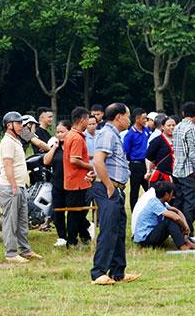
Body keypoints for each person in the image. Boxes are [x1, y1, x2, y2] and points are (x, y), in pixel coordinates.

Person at [90, 103, 138, 285]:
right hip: (108, 189)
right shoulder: (108, 134)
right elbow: (99, 161)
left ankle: (118, 272)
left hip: (116, 188)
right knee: (109, 230)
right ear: (119, 117)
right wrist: (109, 186)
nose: (130, 119)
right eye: (128, 115)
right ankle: (98, 272)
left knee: (118, 231)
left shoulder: (113, 134)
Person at [0, 111, 42, 263]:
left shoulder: (16, 140)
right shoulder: (7, 142)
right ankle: (10, 253)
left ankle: (25, 250)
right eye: (18, 124)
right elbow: (7, 164)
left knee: (22, 220)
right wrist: (13, 184)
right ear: (9, 125)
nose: (21, 126)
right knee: (10, 220)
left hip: (20, 186)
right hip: (10, 186)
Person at [171, 101, 195, 244]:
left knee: (179, 202)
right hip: (189, 173)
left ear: (182, 113)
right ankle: (189, 233)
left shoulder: (177, 127)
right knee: (190, 205)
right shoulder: (191, 128)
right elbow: (193, 153)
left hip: (177, 171)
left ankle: (178, 232)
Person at [132, 181, 195, 250]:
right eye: (171, 194)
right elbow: (176, 218)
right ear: (166, 194)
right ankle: (182, 246)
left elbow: (177, 211)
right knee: (170, 220)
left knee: (173, 218)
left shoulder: (162, 203)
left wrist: (186, 227)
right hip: (145, 240)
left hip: (151, 235)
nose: (173, 197)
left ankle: (187, 243)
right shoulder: (154, 203)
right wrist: (185, 227)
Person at [62, 108, 94, 247]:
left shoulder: (71, 135)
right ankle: (72, 241)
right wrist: (90, 166)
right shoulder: (76, 138)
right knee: (75, 213)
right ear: (82, 120)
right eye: (87, 120)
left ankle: (85, 237)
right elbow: (74, 160)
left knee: (79, 212)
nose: (88, 123)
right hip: (77, 181)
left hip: (75, 180)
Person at [43, 120, 71, 247]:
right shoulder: (56, 147)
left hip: (72, 184)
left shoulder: (73, 145)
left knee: (73, 211)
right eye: (58, 132)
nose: (60, 135)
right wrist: (54, 147)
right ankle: (61, 237)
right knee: (58, 211)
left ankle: (75, 234)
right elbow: (46, 161)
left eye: (62, 132)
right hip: (58, 183)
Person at [122, 108, 150, 211]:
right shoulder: (130, 134)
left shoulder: (146, 131)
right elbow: (126, 151)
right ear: (137, 119)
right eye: (144, 118)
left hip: (146, 164)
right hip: (135, 165)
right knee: (135, 189)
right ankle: (134, 211)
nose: (145, 120)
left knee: (149, 188)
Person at [145, 115, 176, 184]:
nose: (172, 127)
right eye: (169, 125)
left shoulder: (179, 140)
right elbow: (149, 157)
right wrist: (149, 171)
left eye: (173, 125)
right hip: (162, 177)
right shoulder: (157, 141)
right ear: (162, 127)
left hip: (176, 176)